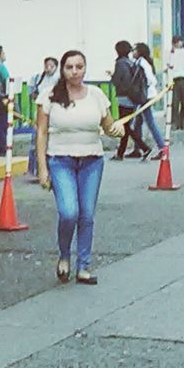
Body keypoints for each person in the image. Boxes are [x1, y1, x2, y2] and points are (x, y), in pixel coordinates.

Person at [35, 49, 123, 286]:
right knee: (68, 212)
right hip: (60, 160)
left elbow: (108, 125)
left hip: (91, 161)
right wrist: (42, 168)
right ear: (62, 70)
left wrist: (117, 130)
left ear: (85, 68)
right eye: (69, 67)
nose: (75, 72)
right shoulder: (49, 95)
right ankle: (64, 255)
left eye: (79, 67)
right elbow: (41, 132)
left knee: (86, 215)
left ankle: (83, 266)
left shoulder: (96, 95)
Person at [110, 40, 150, 160]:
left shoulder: (120, 64)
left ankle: (144, 147)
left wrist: (113, 77)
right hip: (131, 97)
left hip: (124, 97)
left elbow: (118, 81)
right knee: (126, 126)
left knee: (125, 126)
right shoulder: (130, 63)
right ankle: (121, 153)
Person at [26, 57, 60, 178]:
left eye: (52, 66)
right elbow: (32, 92)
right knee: (37, 141)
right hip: (41, 113)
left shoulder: (59, 79)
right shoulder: (39, 78)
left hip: (54, 113)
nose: (48, 68)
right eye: (47, 66)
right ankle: (36, 170)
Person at [130, 43, 166, 156]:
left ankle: (162, 147)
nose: (133, 52)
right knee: (138, 122)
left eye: (135, 50)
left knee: (150, 122)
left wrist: (144, 88)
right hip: (143, 96)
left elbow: (152, 79)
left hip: (145, 97)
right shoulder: (138, 62)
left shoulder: (143, 63)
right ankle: (138, 148)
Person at [166, 36, 184, 131]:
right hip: (174, 79)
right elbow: (168, 66)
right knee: (174, 102)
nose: (178, 44)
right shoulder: (170, 53)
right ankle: (175, 122)